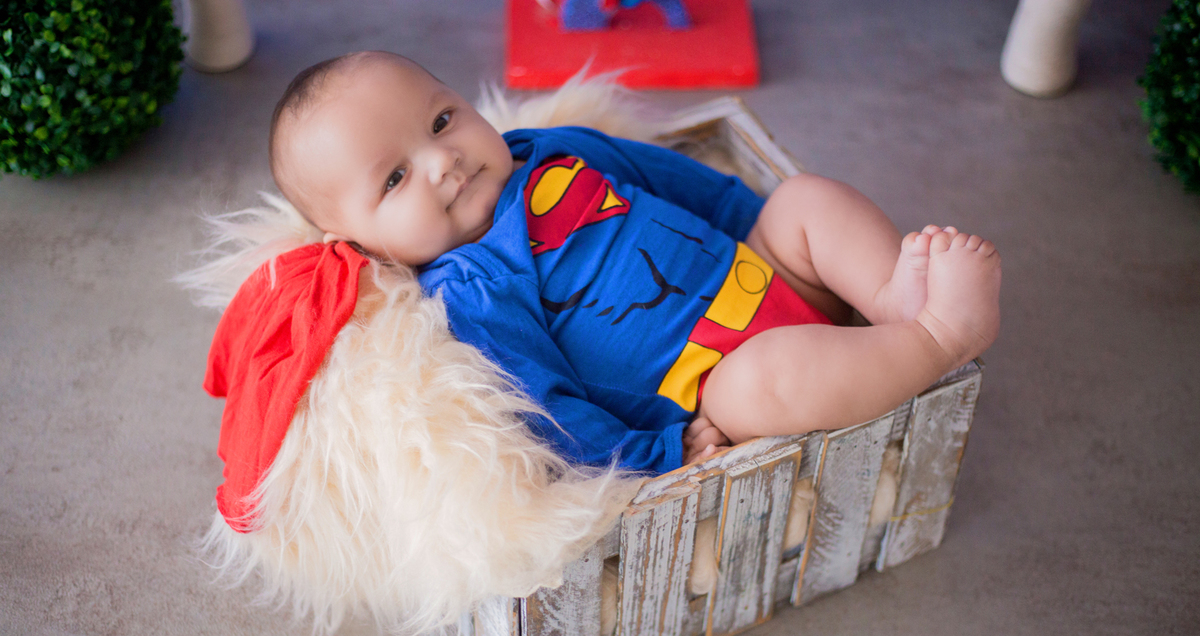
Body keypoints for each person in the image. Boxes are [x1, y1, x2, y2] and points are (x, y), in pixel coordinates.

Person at [267, 50, 1001, 474]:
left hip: (757, 272)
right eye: (394, 179)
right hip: (722, 374)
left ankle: (882, 299)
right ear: (363, 249)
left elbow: (672, 181)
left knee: (804, 200)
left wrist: (761, 230)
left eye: (441, 120)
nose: (443, 161)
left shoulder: (550, 150)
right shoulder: (472, 290)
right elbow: (546, 407)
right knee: (760, 387)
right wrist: (654, 450)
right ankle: (935, 337)